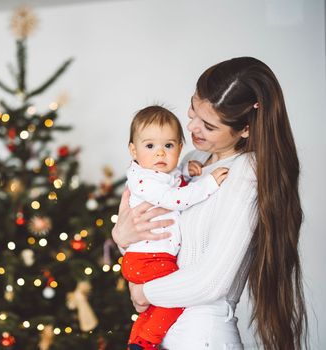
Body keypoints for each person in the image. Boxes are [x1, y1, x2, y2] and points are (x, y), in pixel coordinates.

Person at [112, 57, 308, 350]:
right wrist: (122, 238)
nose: (191, 127)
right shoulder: (191, 161)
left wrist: (143, 292)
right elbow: (157, 235)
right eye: (193, 108)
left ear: (245, 129)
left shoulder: (245, 178)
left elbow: (210, 283)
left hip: (200, 336)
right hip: (166, 331)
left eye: (209, 125)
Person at [122, 105, 228, 349]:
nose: (160, 153)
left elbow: (175, 186)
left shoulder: (163, 175)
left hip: (151, 257)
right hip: (147, 259)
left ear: (180, 147)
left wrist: (188, 175)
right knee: (174, 297)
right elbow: (175, 199)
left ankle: (136, 341)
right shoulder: (143, 180)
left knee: (160, 303)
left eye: (168, 146)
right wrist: (207, 183)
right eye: (150, 146)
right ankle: (146, 341)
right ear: (133, 150)